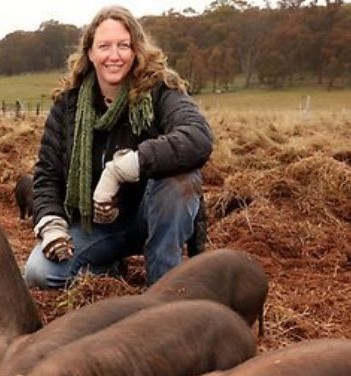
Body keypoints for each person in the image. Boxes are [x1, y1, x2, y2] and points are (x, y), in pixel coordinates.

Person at [24, 5, 213, 289]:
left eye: (123, 45)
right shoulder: (68, 106)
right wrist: (51, 225)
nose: (114, 55)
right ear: (90, 53)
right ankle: (108, 269)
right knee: (41, 273)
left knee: (180, 180)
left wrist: (123, 168)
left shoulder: (160, 90)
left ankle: (164, 290)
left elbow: (198, 137)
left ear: (136, 49)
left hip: (154, 213)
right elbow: (47, 175)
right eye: (104, 46)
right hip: (98, 224)